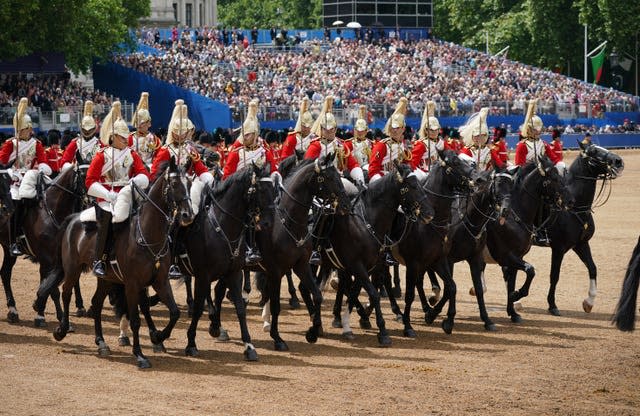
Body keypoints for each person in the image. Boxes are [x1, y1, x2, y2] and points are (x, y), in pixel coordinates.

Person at [150, 99, 214, 277]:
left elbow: (200, 169)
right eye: (179, 132)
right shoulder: (165, 150)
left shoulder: (191, 150)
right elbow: (155, 174)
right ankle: (174, 260)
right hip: (173, 193)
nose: (183, 135)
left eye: (185, 132)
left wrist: (210, 180)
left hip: (190, 189)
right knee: (175, 222)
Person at [85, 101, 149, 277]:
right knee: (106, 221)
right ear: (113, 137)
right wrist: (107, 194)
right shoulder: (101, 156)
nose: (126, 140)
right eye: (122, 137)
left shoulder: (132, 154)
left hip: (128, 195)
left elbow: (143, 173)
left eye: (126, 136)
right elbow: (90, 181)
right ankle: (100, 259)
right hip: (107, 198)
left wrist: (134, 182)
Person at [304, 96, 365, 266]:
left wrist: (359, 177)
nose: (329, 132)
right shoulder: (315, 146)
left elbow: (352, 164)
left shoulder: (341, 145)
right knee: (323, 211)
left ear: (335, 129)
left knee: (360, 200)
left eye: (332, 129)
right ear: (321, 129)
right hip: (320, 186)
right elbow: (308, 168)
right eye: (326, 129)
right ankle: (316, 248)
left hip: (340, 183)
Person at [223, 99, 279, 266]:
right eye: (245, 134)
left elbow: (273, 167)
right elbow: (227, 175)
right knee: (248, 214)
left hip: (261, 190)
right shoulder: (237, 152)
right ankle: (249, 247)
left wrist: (275, 175)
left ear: (256, 135)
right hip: (241, 192)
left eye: (250, 135)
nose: (246, 137)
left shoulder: (264, 150)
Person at [0, 98, 52, 256]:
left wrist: (42, 169)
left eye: (30, 128)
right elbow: (1, 162)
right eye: (27, 128)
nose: (30, 131)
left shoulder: (36, 144)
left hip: (30, 180)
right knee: (17, 207)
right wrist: (9, 171)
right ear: (20, 129)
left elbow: (43, 161)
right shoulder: (11, 144)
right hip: (15, 182)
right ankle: (14, 241)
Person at [514, 99, 564, 246]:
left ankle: (548, 228)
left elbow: (554, 158)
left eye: (540, 128)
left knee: (551, 197)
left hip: (542, 179)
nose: (539, 131)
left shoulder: (544, 144)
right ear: (530, 130)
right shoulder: (522, 146)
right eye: (536, 129)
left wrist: (560, 165)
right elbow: (519, 165)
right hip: (527, 179)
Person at [368, 97, 411, 182]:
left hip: (399, 179)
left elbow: (406, 163)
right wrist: (381, 182)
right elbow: (373, 169)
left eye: (397, 127)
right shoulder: (382, 145)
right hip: (384, 179)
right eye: (392, 127)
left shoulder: (402, 145)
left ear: (403, 129)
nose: (394, 130)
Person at [60, 100, 103, 170]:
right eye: (85, 130)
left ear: (94, 128)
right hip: (79, 172)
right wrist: (70, 167)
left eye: (90, 130)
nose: (87, 132)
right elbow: (65, 161)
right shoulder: (75, 143)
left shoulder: (100, 143)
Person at [409, 101, 444, 177]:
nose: (434, 132)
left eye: (436, 130)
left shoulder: (441, 143)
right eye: (431, 130)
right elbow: (413, 163)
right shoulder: (421, 144)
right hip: (425, 175)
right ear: (426, 130)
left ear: (439, 130)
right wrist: (422, 174)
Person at [129, 92, 161, 168]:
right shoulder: (129, 138)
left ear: (149, 123)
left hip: (149, 169)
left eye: (142, 123)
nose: (139, 125)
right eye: (137, 122)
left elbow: (158, 158)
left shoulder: (155, 140)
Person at [280, 97, 315, 162]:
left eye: (308, 126)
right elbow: (284, 156)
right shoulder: (292, 137)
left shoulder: (314, 138)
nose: (306, 129)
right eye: (304, 126)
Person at [344, 105, 372, 174]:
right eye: (358, 130)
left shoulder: (371, 143)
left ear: (366, 131)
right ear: (355, 130)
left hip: (367, 169)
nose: (360, 133)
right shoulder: (349, 143)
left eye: (362, 130)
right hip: (353, 171)